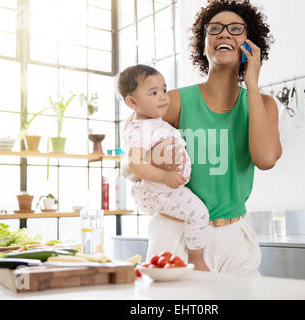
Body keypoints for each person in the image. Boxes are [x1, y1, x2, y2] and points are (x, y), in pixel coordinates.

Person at [124, 0, 282, 276]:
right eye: (215, 29)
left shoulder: (263, 104)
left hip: (234, 235)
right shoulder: (173, 102)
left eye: (236, 29)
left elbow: (265, 159)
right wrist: (149, 163)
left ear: (251, 44)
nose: (224, 34)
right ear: (203, 43)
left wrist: (252, 83)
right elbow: (129, 159)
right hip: (177, 232)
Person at [118, 64, 210, 271]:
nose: (162, 97)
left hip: (164, 188)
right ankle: (197, 260)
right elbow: (135, 163)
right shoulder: (138, 129)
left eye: (164, 90)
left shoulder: (152, 121)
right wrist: (164, 176)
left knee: (194, 215)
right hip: (160, 190)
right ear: (132, 102)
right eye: (153, 93)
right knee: (200, 214)